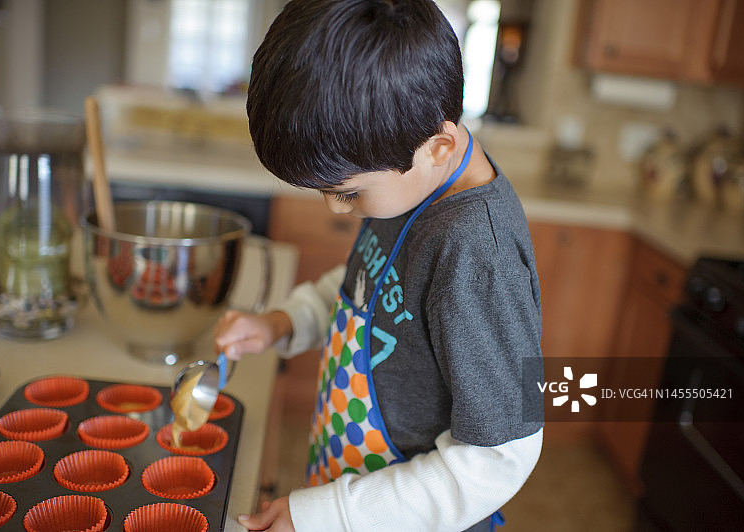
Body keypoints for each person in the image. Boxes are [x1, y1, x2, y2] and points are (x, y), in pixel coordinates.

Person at [213, 1, 544, 530]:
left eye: (347, 192)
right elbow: (367, 284)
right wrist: (283, 323)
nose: (334, 208)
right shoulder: (412, 181)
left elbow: (500, 456)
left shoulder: (481, 256)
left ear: (437, 147)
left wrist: (331, 516)